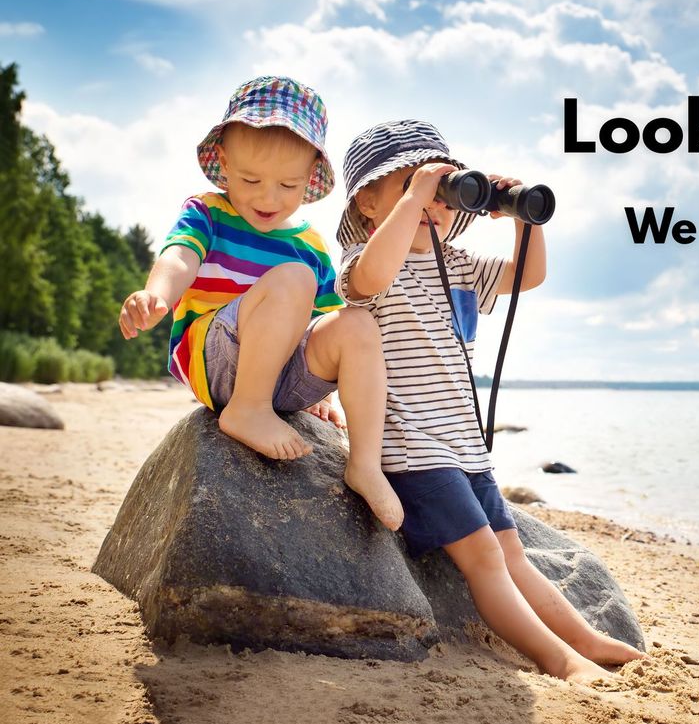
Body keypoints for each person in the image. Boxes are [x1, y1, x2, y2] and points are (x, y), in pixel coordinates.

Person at [336, 119, 646, 684]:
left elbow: (529, 275)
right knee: (482, 558)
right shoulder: (362, 264)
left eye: (443, 194)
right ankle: (558, 659)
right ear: (366, 203)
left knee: (513, 555)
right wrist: (415, 198)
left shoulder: (459, 267)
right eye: (409, 185)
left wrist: (522, 216)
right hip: (413, 449)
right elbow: (371, 277)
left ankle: (582, 638)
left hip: (465, 448)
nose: (432, 203)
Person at [116, 76, 403, 531]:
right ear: (224, 164)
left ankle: (365, 461)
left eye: (288, 184)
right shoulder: (209, 211)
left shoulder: (308, 241)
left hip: (281, 377)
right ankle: (247, 409)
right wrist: (158, 296)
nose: (268, 198)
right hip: (219, 357)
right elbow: (180, 256)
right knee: (294, 279)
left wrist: (320, 391)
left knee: (357, 323)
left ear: (310, 177)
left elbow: (323, 324)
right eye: (251, 179)